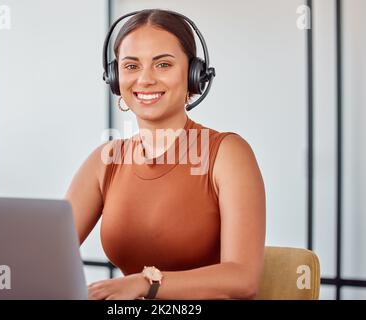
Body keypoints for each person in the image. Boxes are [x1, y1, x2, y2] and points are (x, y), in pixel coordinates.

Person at [65, 9, 265, 300]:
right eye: (131, 66)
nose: (145, 79)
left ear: (194, 75)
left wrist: (147, 283)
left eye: (163, 64)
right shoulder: (104, 161)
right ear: (114, 78)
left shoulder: (228, 154)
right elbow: (48, 252)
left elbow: (243, 279)